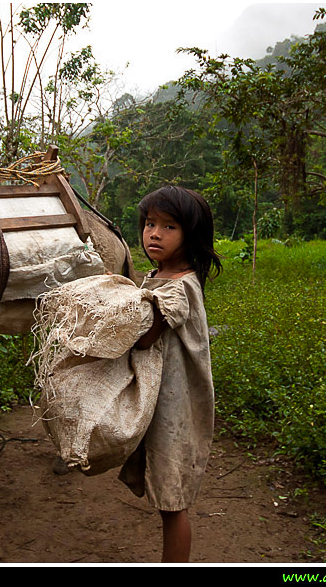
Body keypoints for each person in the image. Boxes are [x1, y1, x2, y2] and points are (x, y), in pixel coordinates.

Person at [117, 185, 222, 562]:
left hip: (175, 409)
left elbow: (143, 340)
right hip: (161, 401)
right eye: (149, 224)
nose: (154, 234)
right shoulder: (158, 276)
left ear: (190, 234)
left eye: (168, 226)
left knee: (172, 502)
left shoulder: (179, 287)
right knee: (167, 497)